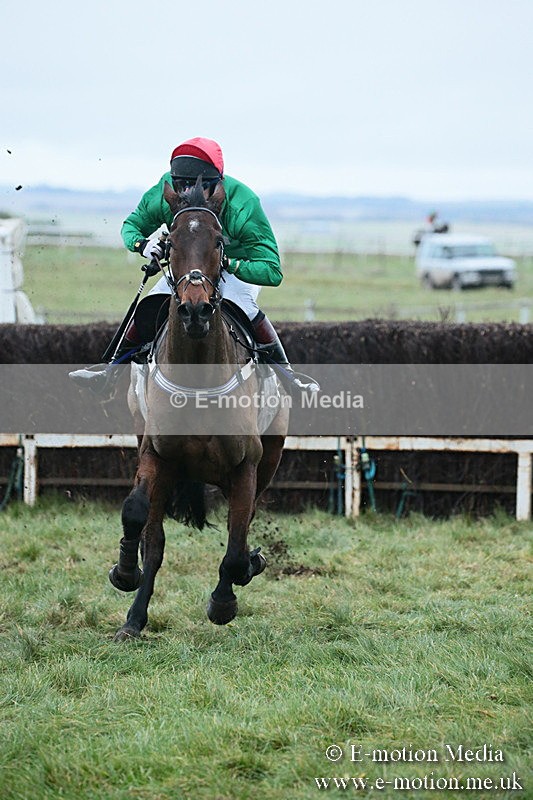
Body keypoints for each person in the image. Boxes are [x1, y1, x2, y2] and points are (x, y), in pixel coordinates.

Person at [70, 137, 315, 394]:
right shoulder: (163, 195)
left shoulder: (244, 204)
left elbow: (272, 271)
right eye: (181, 186)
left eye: (197, 186)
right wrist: (142, 245)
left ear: (217, 185)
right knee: (149, 305)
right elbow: (131, 225)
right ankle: (110, 371)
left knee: (245, 306)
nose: (187, 194)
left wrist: (229, 262)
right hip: (186, 264)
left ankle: (288, 377)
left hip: (234, 267)